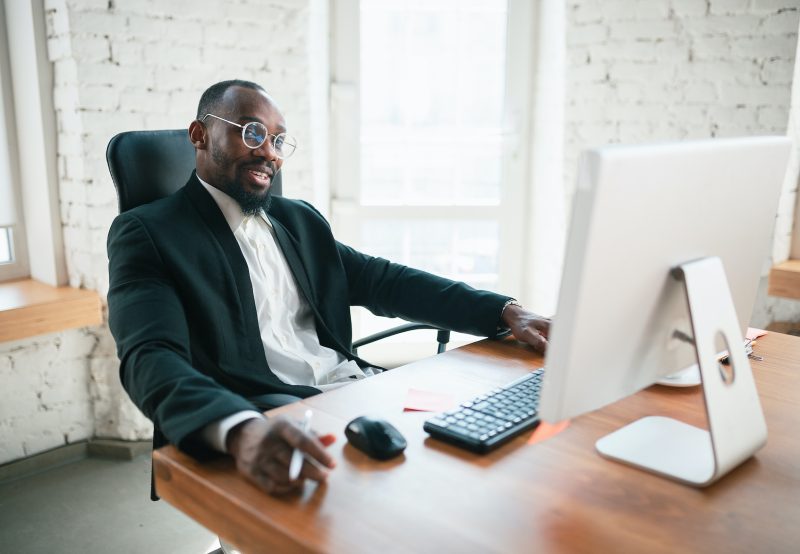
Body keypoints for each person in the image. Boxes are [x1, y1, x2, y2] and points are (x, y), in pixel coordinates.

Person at [107, 79, 551, 498]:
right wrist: (240, 429)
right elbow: (150, 356)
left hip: (354, 389)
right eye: (253, 132)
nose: (269, 152)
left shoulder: (297, 220)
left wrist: (504, 311)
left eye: (279, 141)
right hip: (269, 415)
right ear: (200, 135)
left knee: (485, 460)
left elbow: (385, 280)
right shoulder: (149, 233)